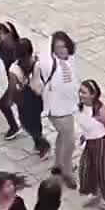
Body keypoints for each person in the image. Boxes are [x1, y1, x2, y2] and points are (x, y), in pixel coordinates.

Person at [36, 31, 79, 187]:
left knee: (63, 136)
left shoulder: (69, 60)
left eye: (64, 46)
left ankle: (58, 164)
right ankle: (67, 171)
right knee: (70, 141)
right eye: (58, 47)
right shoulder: (49, 64)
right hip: (56, 109)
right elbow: (44, 50)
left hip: (68, 106)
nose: (62, 50)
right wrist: (51, 38)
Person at [76, 80, 105, 210]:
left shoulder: (101, 112)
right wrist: (85, 135)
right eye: (80, 91)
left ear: (93, 94)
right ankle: (94, 192)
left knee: (103, 173)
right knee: (86, 167)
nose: (81, 94)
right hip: (91, 141)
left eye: (84, 92)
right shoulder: (82, 107)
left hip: (104, 142)